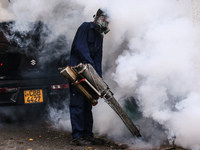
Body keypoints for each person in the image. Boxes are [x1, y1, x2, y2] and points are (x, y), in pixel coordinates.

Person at [69, 8, 110, 146]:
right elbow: (81, 49)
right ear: (97, 17)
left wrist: (99, 77)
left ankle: (87, 135)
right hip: (78, 72)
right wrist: (91, 68)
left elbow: (98, 57)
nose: (105, 23)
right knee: (78, 104)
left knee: (88, 105)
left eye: (107, 21)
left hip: (90, 73)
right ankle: (77, 136)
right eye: (103, 19)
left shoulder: (100, 35)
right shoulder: (85, 27)